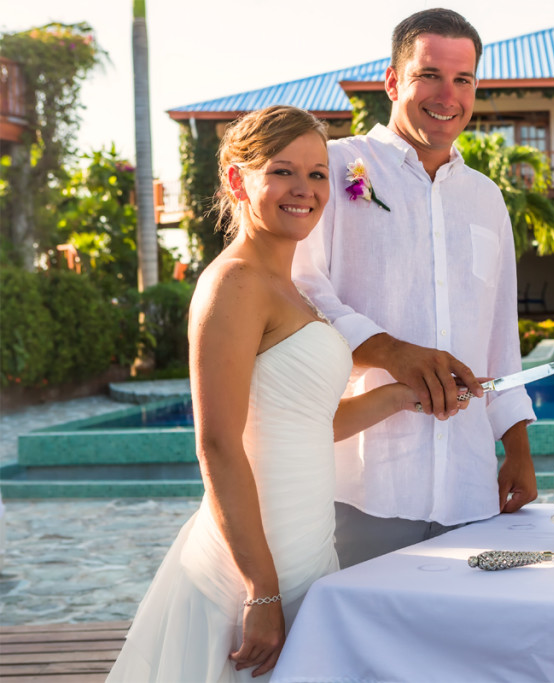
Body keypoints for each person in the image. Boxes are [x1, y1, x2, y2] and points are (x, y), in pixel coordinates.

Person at [107, 105, 437, 682]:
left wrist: (404, 396)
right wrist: (261, 590)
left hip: (306, 539)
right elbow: (216, 444)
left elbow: (307, 420)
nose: (305, 190)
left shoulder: (288, 288)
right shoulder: (234, 284)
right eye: (283, 171)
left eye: (316, 174)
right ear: (238, 179)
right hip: (256, 559)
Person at [292, 8, 537, 569]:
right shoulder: (330, 167)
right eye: (429, 74)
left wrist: (517, 450)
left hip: (470, 487)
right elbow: (301, 289)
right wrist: (390, 351)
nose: (447, 95)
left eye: (463, 79)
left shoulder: (486, 197)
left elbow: (500, 336)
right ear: (392, 80)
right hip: (364, 484)